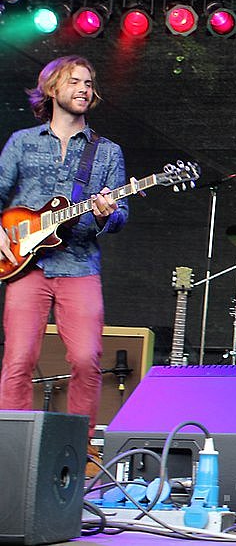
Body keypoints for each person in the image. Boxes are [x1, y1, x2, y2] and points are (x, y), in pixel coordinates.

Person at [0, 55, 128, 432]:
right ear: (52, 88)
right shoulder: (22, 143)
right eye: (75, 82)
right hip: (27, 268)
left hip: (80, 265)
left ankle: (80, 449)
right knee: (19, 360)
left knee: (87, 359)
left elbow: (121, 215)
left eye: (88, 83)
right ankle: (11, 448)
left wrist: (106, 214)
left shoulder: (106, 152)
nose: (84, 89)